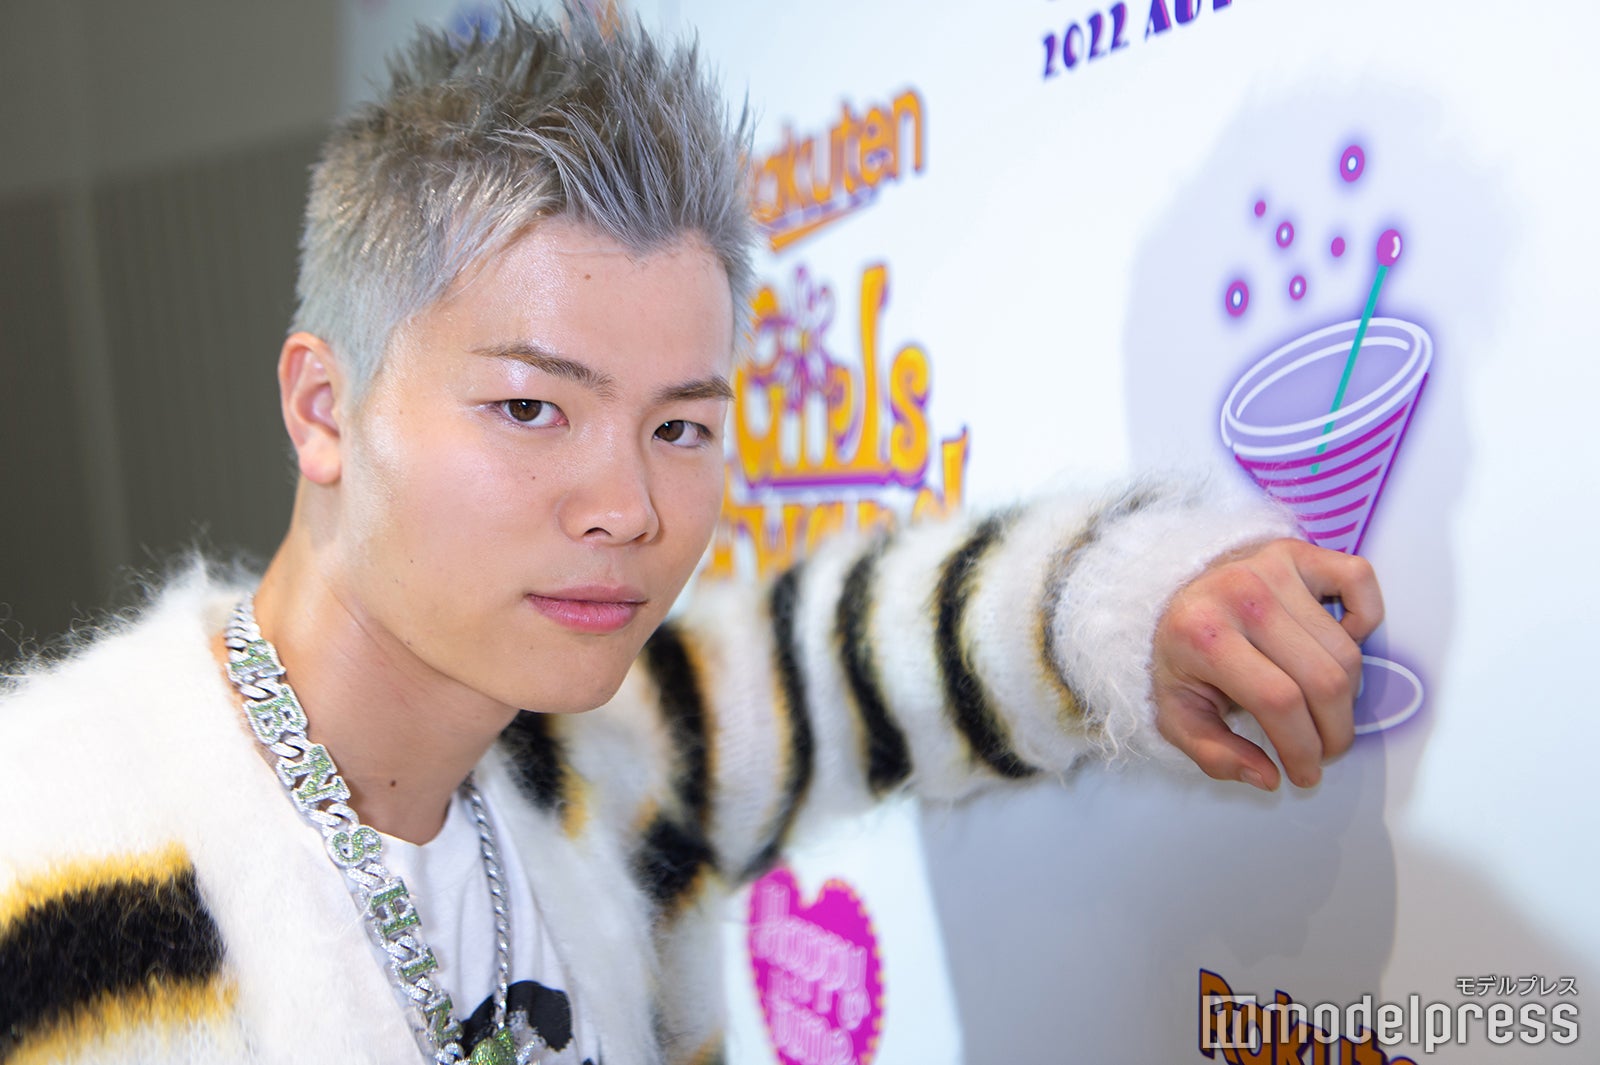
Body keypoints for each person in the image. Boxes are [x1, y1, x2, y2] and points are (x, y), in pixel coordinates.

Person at [0, 6, 1381, 1064]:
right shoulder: (55, 837)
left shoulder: (593, 761)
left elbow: (849, 658)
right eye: (532, 407)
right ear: (325, 408)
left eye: (679, 424)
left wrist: (1146, 605)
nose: (632, 507)